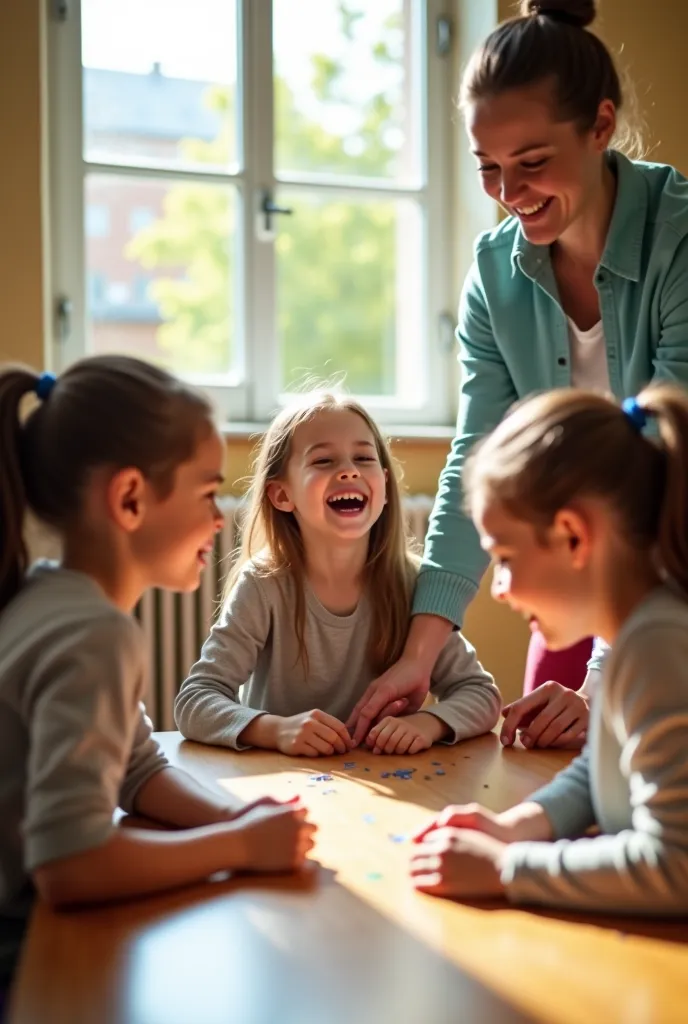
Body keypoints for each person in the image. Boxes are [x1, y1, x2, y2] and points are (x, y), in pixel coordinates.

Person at [347, 0, 688, 750]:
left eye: (532, 163)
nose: (509, 193)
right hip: (570, 582)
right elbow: (476, 465)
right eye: (488, 169)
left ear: (600, 126)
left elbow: (669, 471)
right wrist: (419, 653)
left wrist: (607, 676)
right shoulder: (494, 276)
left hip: (671, 585)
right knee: (544, 771)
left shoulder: (680, 240)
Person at [0, 356, 316, 993]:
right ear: (130, 498)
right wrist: (241, 849)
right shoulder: (94, 634)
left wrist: (235, 817)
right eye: (206, 493)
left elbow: (135, 768)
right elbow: (71, 863)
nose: (220, 518)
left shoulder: (47, 596)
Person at [410, 383, 688, 914]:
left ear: (573, 536)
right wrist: (511, 828)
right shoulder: (627, 636)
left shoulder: (657, 645)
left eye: (506, 558)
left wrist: (505, 870)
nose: (498, 587)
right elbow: (601, 770)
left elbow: (677, 863)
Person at [174, 391, 501, 756]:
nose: (349, 470)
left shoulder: (415, 585)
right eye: (324, 460)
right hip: (283, 788)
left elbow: (482, 695)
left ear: (386, 486)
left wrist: (428, 723)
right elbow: (195, 701)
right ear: (282, 495)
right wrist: (276, 730)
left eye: (364, 457)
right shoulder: (263, 585)